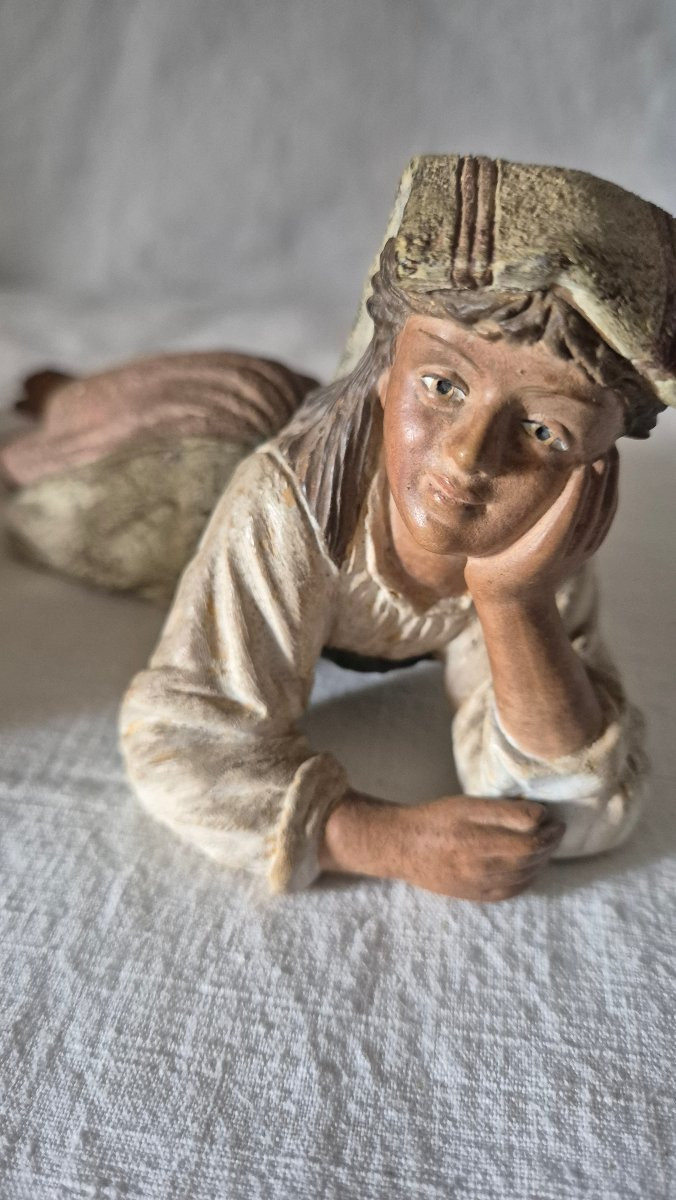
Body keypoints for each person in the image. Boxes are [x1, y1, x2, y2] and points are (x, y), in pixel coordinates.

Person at [9, 154, 676, 900]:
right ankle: (54, 399)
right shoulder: (287, 503)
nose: (468, 455)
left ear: (598, 463)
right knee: (72, 493)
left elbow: (580, 814)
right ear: (386, 369)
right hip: (192, 470)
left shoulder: (541, 537)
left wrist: (514, 606)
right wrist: (387, 840)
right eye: (443, 385)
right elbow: (177, 745)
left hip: (270, 424)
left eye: (545, 431)